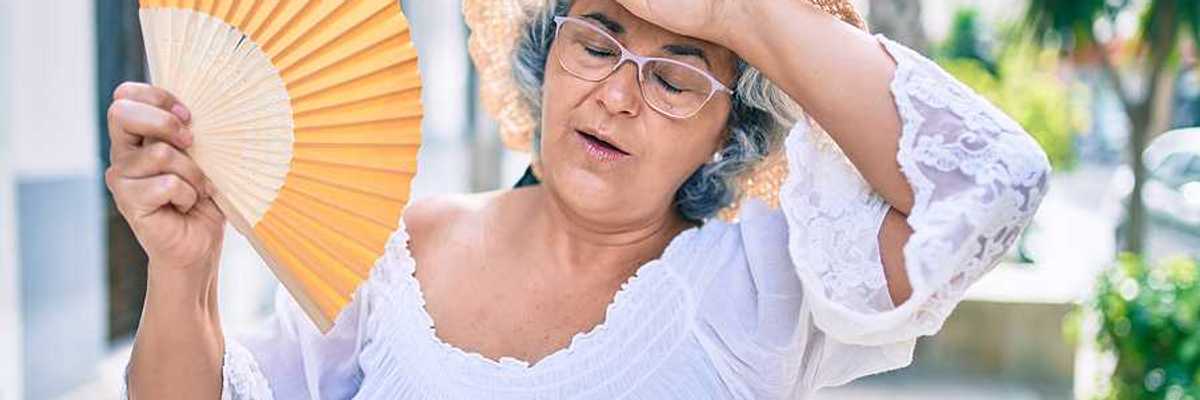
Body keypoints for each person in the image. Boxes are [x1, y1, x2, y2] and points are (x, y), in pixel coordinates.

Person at [111, 0, 1051, 398]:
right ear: (545, 54)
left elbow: (991, 183)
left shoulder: (762, 286)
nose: (617, 94)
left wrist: (732, 13)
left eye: (677, 78)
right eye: (597, 43)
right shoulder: (397, 247)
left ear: (731, 130)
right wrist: (183, 273)